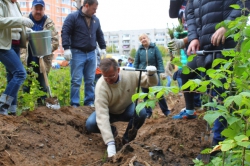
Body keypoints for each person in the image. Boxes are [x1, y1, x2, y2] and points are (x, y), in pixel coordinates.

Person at [173, 0, 247, 145]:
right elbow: (190, 12)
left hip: (225, 45)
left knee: (220, 96)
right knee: (190, 76)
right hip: (204, 48)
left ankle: (218, 144)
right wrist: (193, 37)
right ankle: (195, 116)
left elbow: (244, 4)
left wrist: (228, 25)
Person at [86, 58, 158, 157]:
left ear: (118, 70)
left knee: (141, 113)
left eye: (111, 76)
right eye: (105, 76)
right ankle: (112, 132)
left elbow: (150, 83)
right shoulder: (101, 87)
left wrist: (151, 75)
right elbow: (102, 115)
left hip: (126, 108)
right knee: (90, 124)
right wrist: (110, 142)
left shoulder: (129, 73)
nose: (108, 80)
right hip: (109, 112)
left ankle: (127, 139)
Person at [61, 0, 106, 107]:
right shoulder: (73, 17)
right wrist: (66, 48)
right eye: (94, 9)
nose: (95, 12)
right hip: (77, 53)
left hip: (91, 53)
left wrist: (103, 47)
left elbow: (99, 34)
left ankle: (89, 102)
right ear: (86, 5)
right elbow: (65, 32)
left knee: (90, 80)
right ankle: (75, 104)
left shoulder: (95, 20)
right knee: (76, 80)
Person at [0, 0, 34, 115]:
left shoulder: (16, 4)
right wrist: (21, 20)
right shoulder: (2, 3)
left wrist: (26, 30)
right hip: (4, 45)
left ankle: (12, 111)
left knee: (12, 76)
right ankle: (2, 105)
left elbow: (16, 26)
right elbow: (1, 22)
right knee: (20, 73)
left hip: (15, 44)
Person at [23, 0, 59, 106]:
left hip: (43, 63)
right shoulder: (24, 21)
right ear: (32, 8)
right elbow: (17, 38)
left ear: (44, 9)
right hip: (26, 61)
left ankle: (42, 111)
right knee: (25, 87)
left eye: (41, 9)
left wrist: (45, 50)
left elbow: (55, 42)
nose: (38, 11)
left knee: (43, 89)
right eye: (36, 8)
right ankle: (23, 110)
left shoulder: (49, 23)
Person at [134, 33, 171, 118]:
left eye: (144, 38)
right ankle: (148, 112)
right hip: (143, 74)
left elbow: (159, 61)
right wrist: (135, 73)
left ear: (148, 38)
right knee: (145, 94)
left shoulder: (154, 48)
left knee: (159, 93)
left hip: (154, 74)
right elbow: (136, 62)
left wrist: (161, 72)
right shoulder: (139, 50)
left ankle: (166, 111)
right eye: (141, 39)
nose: (143, 40)